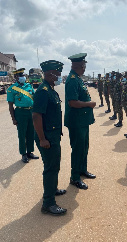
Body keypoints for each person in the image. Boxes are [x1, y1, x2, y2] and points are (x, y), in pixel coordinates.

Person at [32, 60, 67, 216]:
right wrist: (42, 139)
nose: (58, 76)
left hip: (52, 135)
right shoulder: (43, 91)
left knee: (54, 166)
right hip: (47, 137)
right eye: (57, 73)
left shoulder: (50, 89)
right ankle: (48, 204)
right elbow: (36, 116)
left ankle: (52, 190)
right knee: (51, 168)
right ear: (48, 73)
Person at [64, 53, 96, 190]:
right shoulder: (72, 80)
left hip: (82, 121)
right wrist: (89, 104)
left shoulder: (78, 78)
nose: (84, 68)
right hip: (76, 122)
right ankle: (75, 177)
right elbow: (72, 103)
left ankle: (82, 170)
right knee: (77, 149)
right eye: (84, 66)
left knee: (84, 147)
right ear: (79, 66)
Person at [7, 68, 38, 163]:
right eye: (20, 76)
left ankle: (30, 152)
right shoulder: (11, 89)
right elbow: (10, 106)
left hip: (31, 111)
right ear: (16, 77)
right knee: (22, 134)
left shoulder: (29, 86)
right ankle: (23, 154)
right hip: (20, 113)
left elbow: (34, 98)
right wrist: (13, 119)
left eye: (23, 75)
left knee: (31, 133)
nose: (23, 77)